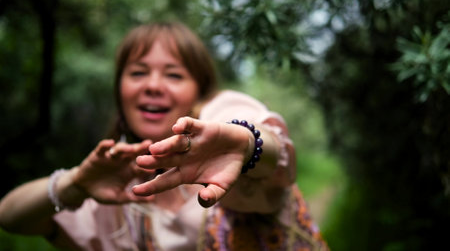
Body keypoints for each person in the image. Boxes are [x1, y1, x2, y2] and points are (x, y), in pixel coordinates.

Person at [0, 21, 328, 251]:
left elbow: (270, 144)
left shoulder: (224, 112)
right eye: (138, 72)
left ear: (199, 92)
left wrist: (247, 145)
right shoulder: (114, 190)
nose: (153, 85)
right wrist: (75, 184)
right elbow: (9, 216)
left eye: (173, 74)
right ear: (120, 91)